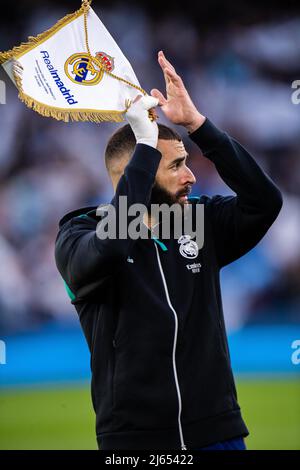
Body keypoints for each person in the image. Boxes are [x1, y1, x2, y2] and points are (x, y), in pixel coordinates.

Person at [55, 51, 282, 450]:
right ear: (137, 172)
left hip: (218, 432)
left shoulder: (198, 220)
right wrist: (144, 144)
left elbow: (264, 201)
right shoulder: (78, 233)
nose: (192, 176)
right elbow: (111, 247)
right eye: (176, 166)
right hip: (136, 442)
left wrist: (198, 125)